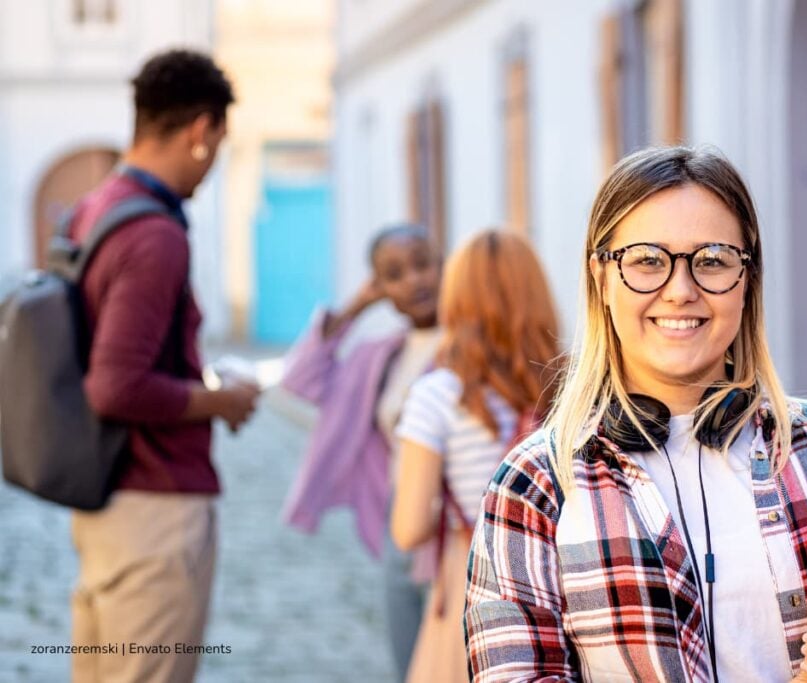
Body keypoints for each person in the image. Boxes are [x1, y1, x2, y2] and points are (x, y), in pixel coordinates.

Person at [464, 146, 807, 682]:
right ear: (602, 280)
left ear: (747, 281)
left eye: (713, 261)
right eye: (647, 261)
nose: (680, 291)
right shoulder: (534, 485)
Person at [69, 50, 259, 683]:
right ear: (200, 131)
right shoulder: (155, 233)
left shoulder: (97, 207)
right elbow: (115, 384)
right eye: (220, 143)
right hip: (153, 508)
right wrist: (222, 400)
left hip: (107, 500)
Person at [390, 229, 561, 683]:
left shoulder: (437, 397)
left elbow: (408, 531)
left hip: (473, 582)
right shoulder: (572, 391)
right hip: (564, 584)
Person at [279, 223, 443, 679]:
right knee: (409, 657)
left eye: (422, 264)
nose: (414, 280)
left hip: (461, 524)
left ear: (442, 264)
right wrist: (354, 307)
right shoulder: (379, 355)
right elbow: (301, 380)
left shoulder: (475, 345)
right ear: (380, 288)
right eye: (394, 274)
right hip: (399, 518)